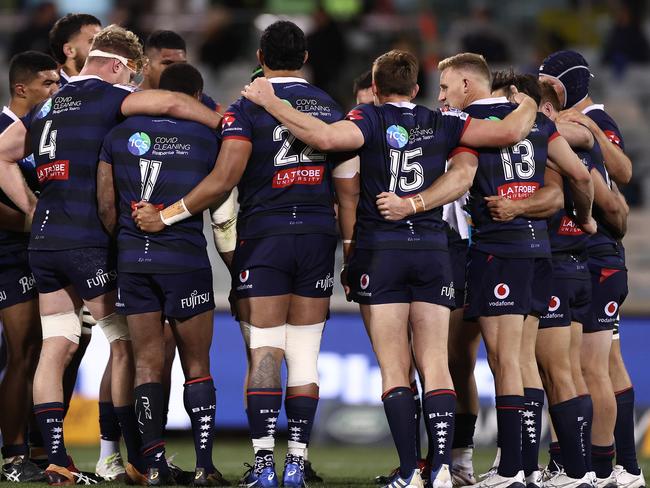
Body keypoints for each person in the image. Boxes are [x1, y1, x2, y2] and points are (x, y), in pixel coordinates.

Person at [235, 47, 544, 488]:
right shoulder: (446, 121)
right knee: (436, 362)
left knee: (396, 367)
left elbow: (322, 139)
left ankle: (409, 472)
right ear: (416, 89)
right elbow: (512, 131)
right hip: (434, 250)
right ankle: (440, 469)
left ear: (375, 89)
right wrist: (528, 100)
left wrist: (271, 102)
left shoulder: (368, 119)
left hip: (382, 251)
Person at [0, 24, 222, 486]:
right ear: (118, 66)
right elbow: (174, 103)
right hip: (89, 243)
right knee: (128, 347)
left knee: (55, 347)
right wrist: (226, 124)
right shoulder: (110, 97)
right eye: (133, 75)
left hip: (43, 242)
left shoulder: (45, 107)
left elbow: (1, 156)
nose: (136, 85)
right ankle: (135, 460)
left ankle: (59, 459)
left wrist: (30, 207)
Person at [134, 20, 346, 488]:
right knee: (306, 355)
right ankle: (297, 463)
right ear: (306, 56)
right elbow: (347, 183)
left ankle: (265, 464)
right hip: (316, 236)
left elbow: (225, 177)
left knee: (266, 350)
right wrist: (348, 244)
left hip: (266, 234)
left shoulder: (246, 107)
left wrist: (166, 215)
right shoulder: (331, 107)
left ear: (259, 55)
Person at [434, 53, 594, 488]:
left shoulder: (467, 127)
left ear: (469, 85)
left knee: (505, 361)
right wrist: (587, 219)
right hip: (540, 251)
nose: (442, 97)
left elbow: (462, 176)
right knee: (523, 361)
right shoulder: (539, 124)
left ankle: (510, 470)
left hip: (496, 250)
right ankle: (545, 470)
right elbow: (579, 174)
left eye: (446, 87)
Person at [97, 62, 228, 486]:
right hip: (185, 259)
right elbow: (220, 197)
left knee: (147, 365)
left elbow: (105, 204)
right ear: (197, 95)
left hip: (134, 262)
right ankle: (205, 466)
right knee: (197, 365)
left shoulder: (117, 135)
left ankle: (152, 466)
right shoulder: (208, 137)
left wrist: (125, 236)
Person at [539, 50, 643, 488]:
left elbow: (624, 173)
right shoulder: (574, 124)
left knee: (588, 368)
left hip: (594, 249)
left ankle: (598, 468)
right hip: (597, 249)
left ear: (566, 86)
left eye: (548, 83)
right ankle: (620, 468)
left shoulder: (594, 119)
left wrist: (592, 131)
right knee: (602, 364)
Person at [0, 51, 59, 483]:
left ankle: (25, 451)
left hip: (30, 252)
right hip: (6, 253)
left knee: (31, 352)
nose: (56, 91)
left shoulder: (44, 132)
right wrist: (36, 220)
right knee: (21, 353)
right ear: (22, 89)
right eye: (48, 84)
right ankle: (15, 454)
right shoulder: (3, 132)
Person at [141, 30, 220, 112]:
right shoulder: (128, 98)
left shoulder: (193, 96)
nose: (177, 70)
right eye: (168, 63)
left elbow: (228, 119)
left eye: (181, 64)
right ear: (145, 66)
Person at [49, 13, 102, 86]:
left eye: (103, 41)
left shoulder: (113, 87)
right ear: (69, 50)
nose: (103, 48)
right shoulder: (47, 93)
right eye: (93, 42)